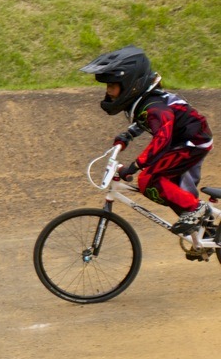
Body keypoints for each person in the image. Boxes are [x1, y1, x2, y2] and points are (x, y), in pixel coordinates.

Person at [81, 45, 213, 234]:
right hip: (182, 141)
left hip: (192, 143)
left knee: (149, 180)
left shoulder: (154, 106)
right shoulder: (145, 102)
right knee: (171, 190)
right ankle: (204, 234)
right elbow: (148, 122)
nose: (108, 91)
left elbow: (162, 136)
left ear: (129, 84)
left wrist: (135, 166)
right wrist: (127, 136)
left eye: (112, 86)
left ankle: (198, 209)